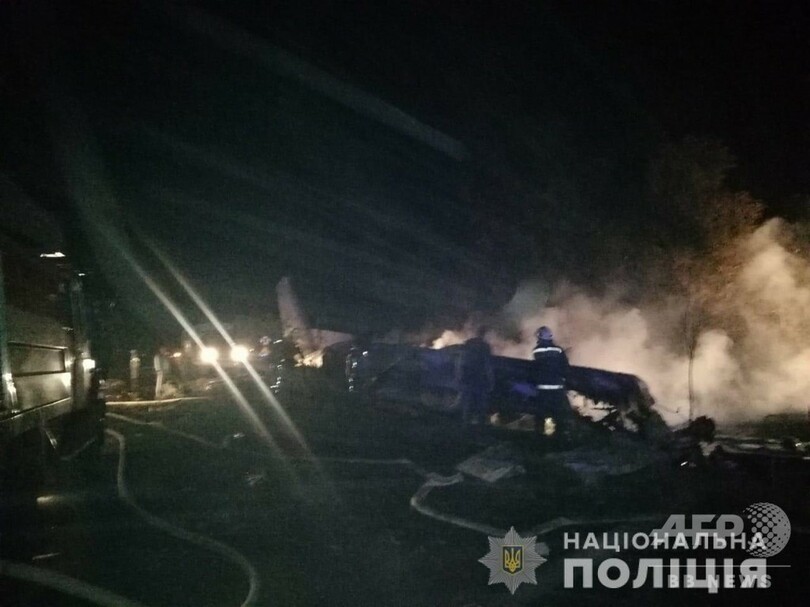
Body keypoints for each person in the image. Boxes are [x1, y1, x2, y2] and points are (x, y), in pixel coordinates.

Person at [532, 326, 571, 433]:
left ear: (539, 337)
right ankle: (559, 436)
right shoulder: (558, 350)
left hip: (543, 390)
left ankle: (540, 436)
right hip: (557, 389)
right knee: (559, 414)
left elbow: (536, 369)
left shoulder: (537, 351)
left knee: (541, 415)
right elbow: (565, 367)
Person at [455, 326, 495, 425]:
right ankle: (479, 424)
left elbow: (461, 360)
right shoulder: (485, 346)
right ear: (484, 334)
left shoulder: (468, 343)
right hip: (479, 378)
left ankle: (466, 423)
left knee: (467, 401)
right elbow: (487, 365)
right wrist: (491, 380)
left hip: (468, 377)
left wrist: (459, 375)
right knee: (480, 403)